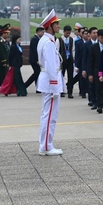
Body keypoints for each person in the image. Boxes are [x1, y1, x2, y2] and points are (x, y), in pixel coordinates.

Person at [37, 10, 65, 156]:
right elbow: (50, 66)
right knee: (50, 116)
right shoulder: (48, 42)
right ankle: (46, 146)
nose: (59, 26)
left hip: (48, 81)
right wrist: (55, 87)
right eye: (56, 24)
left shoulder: (48, 40)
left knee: (47, 115)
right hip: (50, 82)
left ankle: (46, 144)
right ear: (50, 26)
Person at [88, 29, 103, 114]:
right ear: (98, 37)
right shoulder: (93, 47)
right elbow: (90, 61)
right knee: (98, 88)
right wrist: (90, 74)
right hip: (96, 71)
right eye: (101, 38)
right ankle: (99, 105)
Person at [57, 25, 76, 98]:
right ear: (64, 32)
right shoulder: (59, 40)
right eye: (67, 33)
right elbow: (57, 50)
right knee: (61, 76)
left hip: (69, 60)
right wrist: (59, 60)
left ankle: (70, 92)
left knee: (70, 77)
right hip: (62, 61)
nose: (68, 34)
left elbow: (73, 49)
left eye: (69, 33)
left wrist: (73, 57)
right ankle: (61, 90)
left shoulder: (71, 40)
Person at [82, 27, 98, 108]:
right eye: (94, 33)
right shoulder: (86, 44)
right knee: (91, 85)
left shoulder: (100, 43)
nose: (95, 34)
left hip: (98, 67)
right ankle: (92, 101)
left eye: (96, 33)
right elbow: (84, 57)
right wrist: (84, 69)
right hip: (90, 67)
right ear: (90, 34)